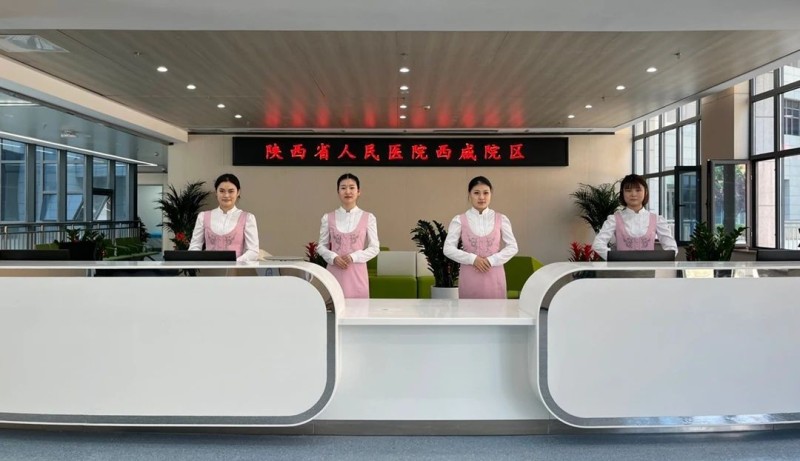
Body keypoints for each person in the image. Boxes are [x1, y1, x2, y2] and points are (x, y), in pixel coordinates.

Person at [443, 176, 519, 299]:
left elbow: (513, 247)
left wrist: (492, 260)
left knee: (496, 309)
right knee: (469, 309)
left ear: (491, 194)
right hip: (469, 276)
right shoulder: (459, 220)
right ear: (469, 194)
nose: (481, 197)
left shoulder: (501, 219)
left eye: (486, 193)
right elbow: (448, 249)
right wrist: (472, 259)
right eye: (476, 193)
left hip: (494, 276)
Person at [317, 173, 380, 298]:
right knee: (334, 305)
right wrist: (333, 257)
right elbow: (321, 246)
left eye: (352, 187)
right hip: (334, 272)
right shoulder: (327, 218)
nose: (347, 191)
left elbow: (374, 247)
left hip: (357, 273)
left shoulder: (368, 218)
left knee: (359, 307)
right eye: (343, 188)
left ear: (358, 191)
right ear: (338, 191)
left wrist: (353, 256)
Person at [592, 173, 678, 260]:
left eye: (638, 190)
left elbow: (672, 248)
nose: (633, 194)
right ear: (622, 193)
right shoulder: (614, 219)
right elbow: (598, 244)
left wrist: (658, 262)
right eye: (628, 190)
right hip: (622, 268)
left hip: (649, 268)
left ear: (645, 192)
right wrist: (615, 259)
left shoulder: (656, 219)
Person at [188, 173, 259, 261]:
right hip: (209, 267)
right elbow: (195, 246)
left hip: (236, 268)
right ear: (216, 192)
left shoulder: (247, 218)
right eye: (222, 191)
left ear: (238, 192)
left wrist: (236, 262)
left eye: (231, 191)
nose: (226, 195)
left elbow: (253, 251)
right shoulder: (203, 217)